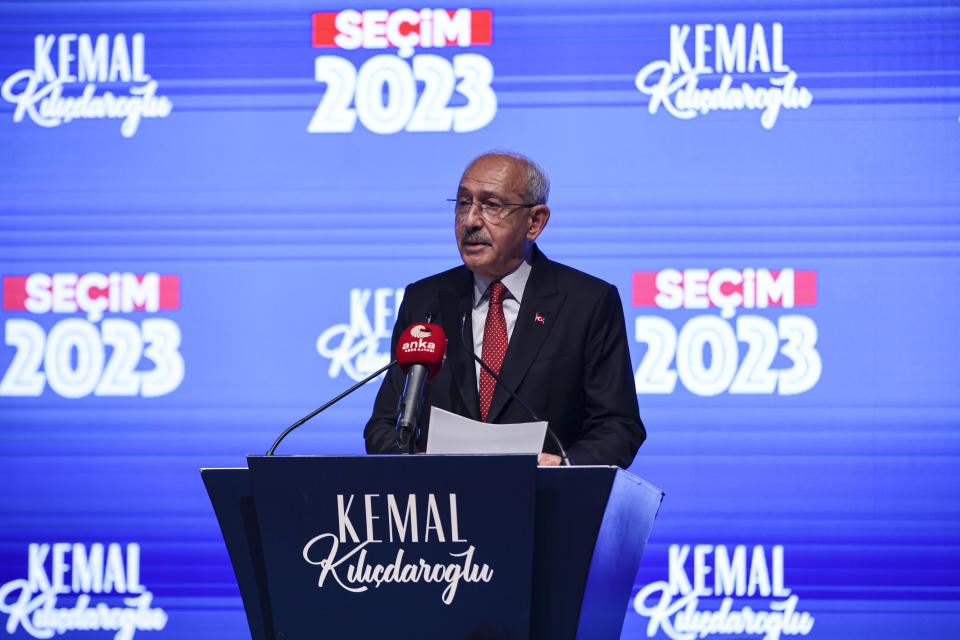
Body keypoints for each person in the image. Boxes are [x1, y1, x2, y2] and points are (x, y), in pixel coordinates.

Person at [363, 151, 645, 467]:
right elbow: (383, 426)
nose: (470, 220)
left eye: (491, 206)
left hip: (546, 504)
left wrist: (565, 467)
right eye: (463, 203)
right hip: (444, 505)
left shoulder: (587, 302)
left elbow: (619, 426)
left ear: (534, 222)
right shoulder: (425, 299)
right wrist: (413, 464)